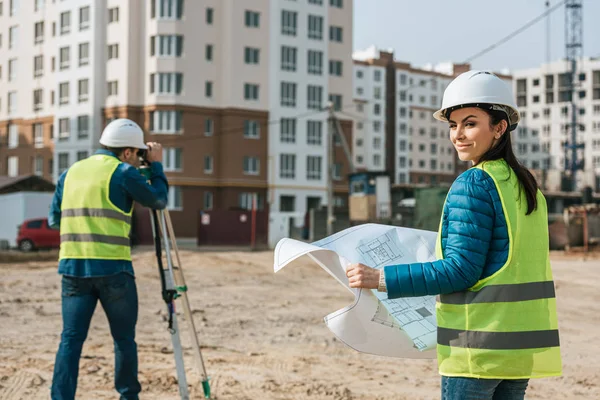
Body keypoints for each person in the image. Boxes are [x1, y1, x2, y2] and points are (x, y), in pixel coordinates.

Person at [345, 70, 562, 400]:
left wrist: (381, 278)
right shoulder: (526, 186)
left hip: (476, 349)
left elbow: (461, 270)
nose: (458, 135)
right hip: (521, 350)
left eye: (470, 123)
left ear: (500, 127)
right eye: (453, 124)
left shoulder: (474, 183)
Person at [49, 118, 169, 400]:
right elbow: (158, 200)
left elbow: (55, 219)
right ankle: (128, 397)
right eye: (137, 153)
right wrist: (156, 166)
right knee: (124, 340)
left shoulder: (70, 173)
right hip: (113, 271)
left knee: (70, 340)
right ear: (127, 152)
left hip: (74, 270)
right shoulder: (124, 172)